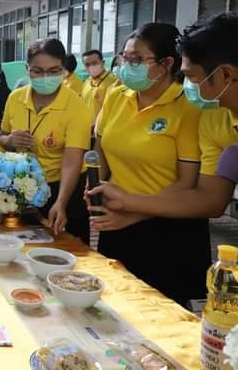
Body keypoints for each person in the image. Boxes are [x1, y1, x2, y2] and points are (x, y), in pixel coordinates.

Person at [88, 14, 238, 308]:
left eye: (190, 77)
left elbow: (190, 186)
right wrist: (124, 203)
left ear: (226, 75)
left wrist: (130, 205)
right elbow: (211, 199)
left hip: (169, 235)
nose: (186, 85)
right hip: (124, 221)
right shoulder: (220, 119)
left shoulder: (194, 110)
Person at [88, 23, 206, 307]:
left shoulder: (187, 107)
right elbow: (101, 149)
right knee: (113, 305)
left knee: (162, 314)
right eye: (124, 58)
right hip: (117, 219)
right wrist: (96, 188)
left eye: (137, 60)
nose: (127, 66)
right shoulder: (117, 96)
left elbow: (186, 183)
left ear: (166, 64)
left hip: (165, 227)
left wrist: (134, 212)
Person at [0, 39, 93, 243]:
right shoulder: (15, 98)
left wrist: (61, 202)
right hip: (23, 186)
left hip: (63, 188)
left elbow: (72, 161)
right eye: (37, 71)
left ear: (63, 70)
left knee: (66, 248)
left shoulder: (76, 106)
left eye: (53, 70)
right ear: (27, 69)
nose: (45, 77)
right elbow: (2, 137)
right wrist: (11, 139)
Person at [81, 49, 117, 118]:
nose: (91, 67)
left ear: (103, 62)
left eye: (94, 63)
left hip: (101, 127)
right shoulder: (87, 82)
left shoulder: (113, 82)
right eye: (87, 65)